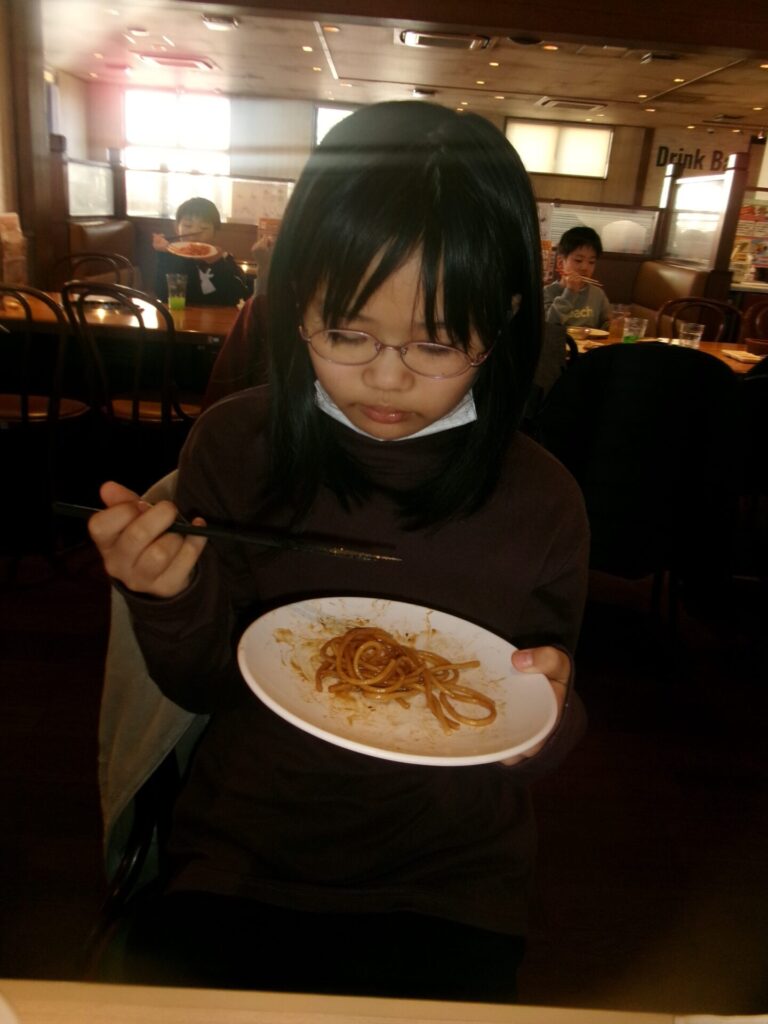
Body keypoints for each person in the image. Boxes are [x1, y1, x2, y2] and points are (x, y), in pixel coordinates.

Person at [87, 101, 589, 1002]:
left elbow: (539, 714)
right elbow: (205, 683)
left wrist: (551, 715)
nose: (387, 377)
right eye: (346, 332)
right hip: (240, 855)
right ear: (296, 301)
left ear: (507, 312)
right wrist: (163, 596)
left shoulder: (542, 500)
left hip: (451, 883)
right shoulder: (236, 446)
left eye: (437, 342)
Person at [152, 197, 250, 307]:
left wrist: (217, 263)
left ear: (214, 232)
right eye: (188, 225)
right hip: (180, 315)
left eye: (204, 228)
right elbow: (162, 295)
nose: (194, 232)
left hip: (217, 317)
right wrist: (163, 254)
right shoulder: (171, 256)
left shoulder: (223, 258)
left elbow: (239, 298)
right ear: (176, 228)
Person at [543, 225, 611, 330]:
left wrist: (615, 325)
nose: (585, 267)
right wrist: (570, 292)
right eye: (578, 260)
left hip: (591, 341)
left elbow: (606, 326)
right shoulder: (547, 292)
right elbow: (548, 325)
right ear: (560, 262)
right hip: (561, 341)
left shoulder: (598, 295)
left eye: (591, 262)